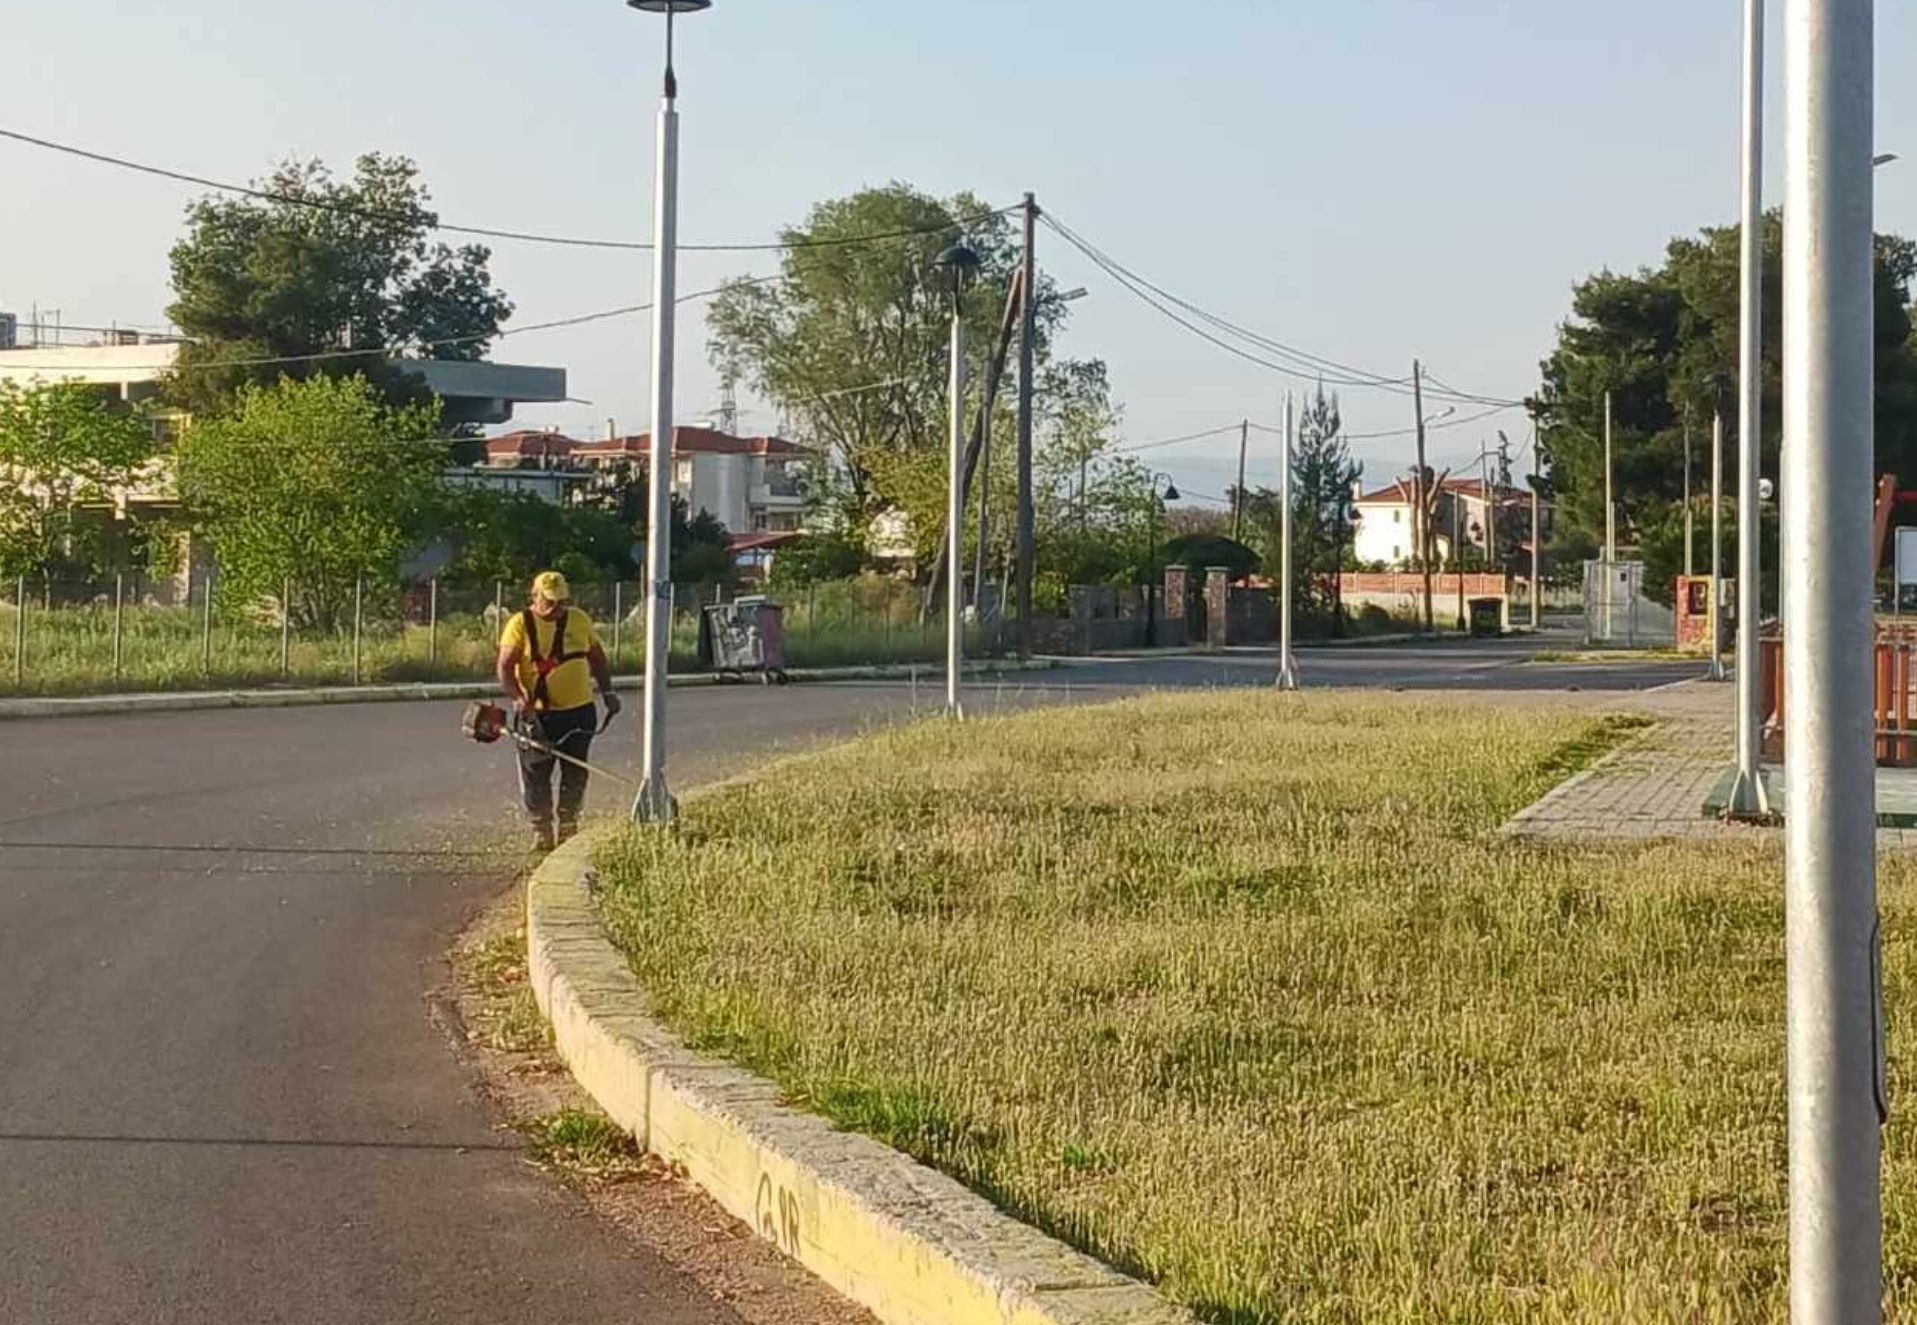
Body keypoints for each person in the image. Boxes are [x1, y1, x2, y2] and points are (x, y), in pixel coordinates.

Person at [496, 571, 621, 851]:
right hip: (538, 715)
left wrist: (608, 692)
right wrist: (517, 697)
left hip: (578, 711)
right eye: (550, 601)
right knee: (536, 773)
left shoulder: (579, 619)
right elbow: (504, 667)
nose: (556, 608)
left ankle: (568, 827)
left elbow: (597, 658)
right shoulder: (519, 624)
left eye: (562, 601)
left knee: (576, 771)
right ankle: (541, 830)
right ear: (535, 597)